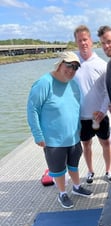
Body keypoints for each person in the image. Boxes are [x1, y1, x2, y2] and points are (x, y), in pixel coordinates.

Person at [27, 51, 92, 209]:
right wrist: (38, 135)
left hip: (73, 136)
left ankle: (76, 187)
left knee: (74, 164)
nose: (71, 70)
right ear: (60, 63)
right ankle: (62, 193)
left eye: (75, 67)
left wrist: (79, 129)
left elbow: (76, 108)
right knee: (58, 169)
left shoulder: (74, 84)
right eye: (69, 65)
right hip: (53, 139)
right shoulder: (44, 82)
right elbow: (32, 109)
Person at [73, 25, 111, 184]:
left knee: (106, 143)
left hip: (100, 115)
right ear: (76, 42)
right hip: (82, 116)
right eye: (79, 40)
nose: (83, 43)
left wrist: (103, 111)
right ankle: (90, 171)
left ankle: (108, 170)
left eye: (85, 39)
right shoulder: (72, 63)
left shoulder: (102, 64)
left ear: (91, 41)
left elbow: (107, 92)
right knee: (86, 145)